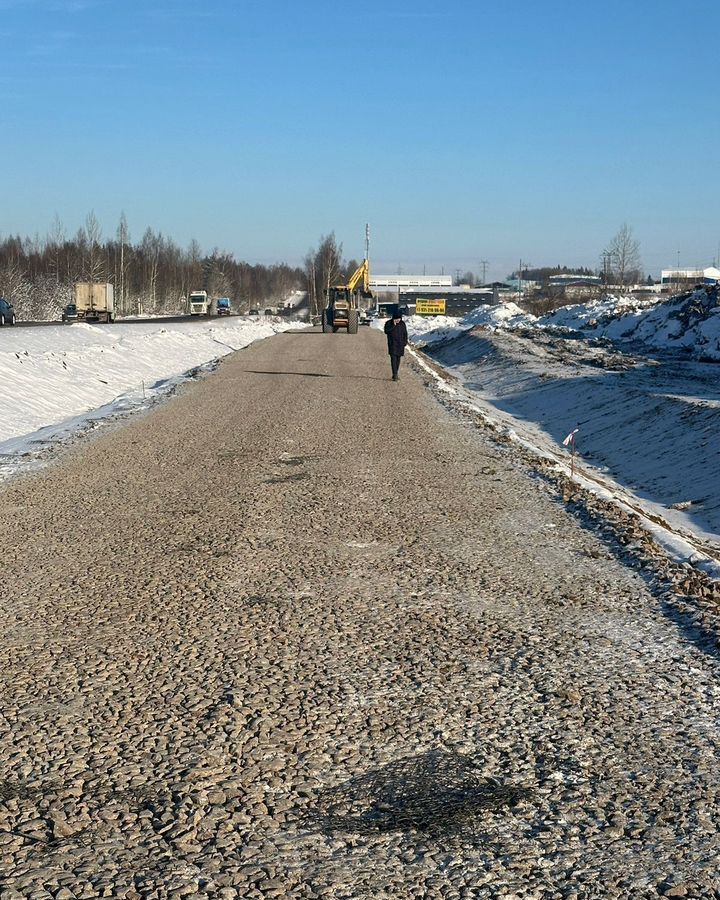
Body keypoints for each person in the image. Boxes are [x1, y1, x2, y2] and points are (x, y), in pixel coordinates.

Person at [384, 307, 408, 381]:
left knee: (398, 360)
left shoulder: (402, 324)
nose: (398, 320)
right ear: (393, 318)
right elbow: (386, 331)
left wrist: (405, 342)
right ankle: (395, 375)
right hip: (392, 344)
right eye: (396, 319)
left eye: (399, 319)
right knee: (393, 360)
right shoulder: (389, 323)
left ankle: (396, 373)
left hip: (400, 345)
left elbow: (405, 333)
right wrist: (393, 325)